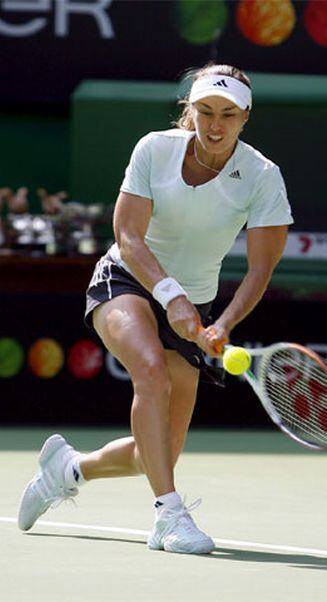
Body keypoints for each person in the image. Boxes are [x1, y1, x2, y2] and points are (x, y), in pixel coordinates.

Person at [18, 63, 293, 554]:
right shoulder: (154, 149)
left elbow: (260, 269)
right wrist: (172, 298)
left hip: (196, 301)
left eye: (227, 115)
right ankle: (169, 516)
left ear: (245, 117)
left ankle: (67, 469)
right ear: (189, 109)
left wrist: (223, 324)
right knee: (151, 371)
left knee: (159, 452)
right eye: (205, 111)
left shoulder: (262, 176)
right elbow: (128, 236)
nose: (214, 124)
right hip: (126, 278)